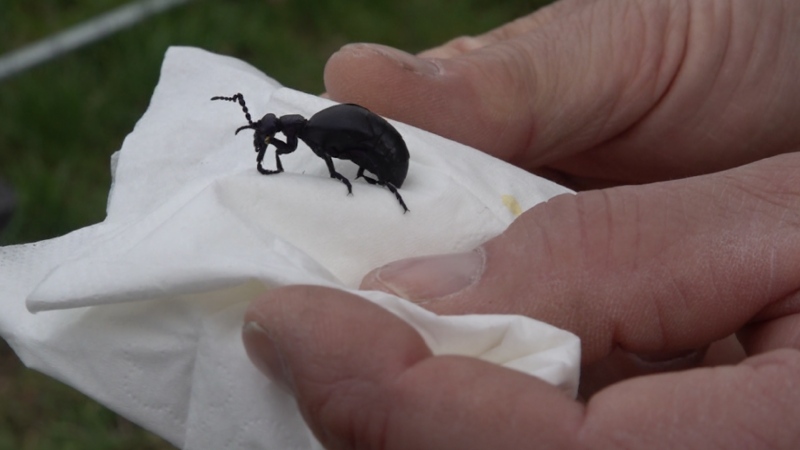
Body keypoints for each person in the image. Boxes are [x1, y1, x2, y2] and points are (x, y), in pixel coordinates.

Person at [242, 0, 800, 447]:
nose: (270, 143)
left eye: (268, 138)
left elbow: (354, 146)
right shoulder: (312, 132)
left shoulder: (315, 132)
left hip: (387, 156)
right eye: (267, 139)